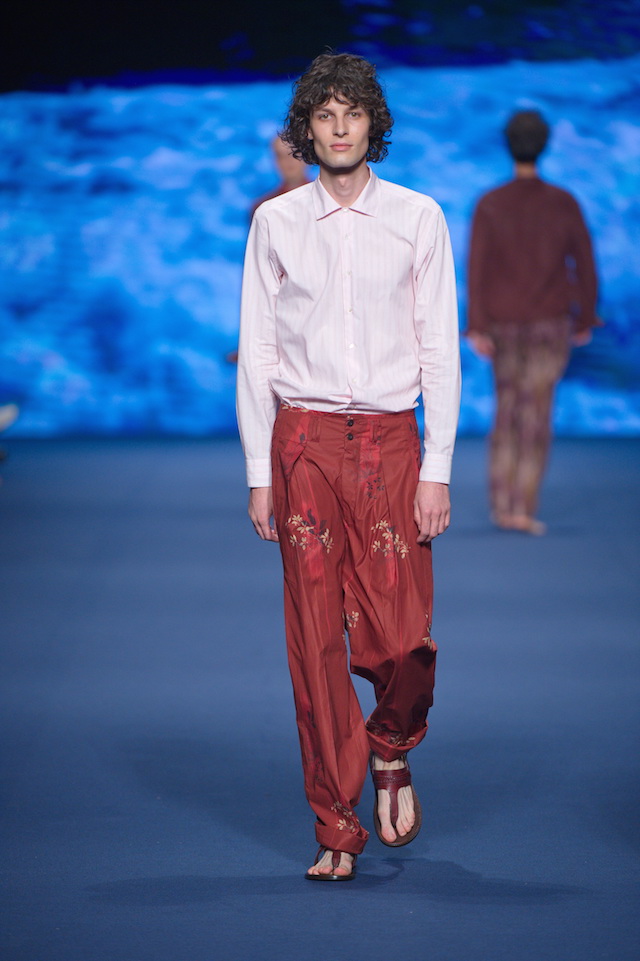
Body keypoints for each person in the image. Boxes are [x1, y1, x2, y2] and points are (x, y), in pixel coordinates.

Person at [236, 52, 460, 881]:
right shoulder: (277, 223)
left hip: (392, 444)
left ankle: (390, 743)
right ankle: (336, 818)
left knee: (403, 640)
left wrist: (438, 465)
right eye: (324, 116)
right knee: (315, 640)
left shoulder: (418, 217)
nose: (339, 129)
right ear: (307, 129)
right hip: (303, 443)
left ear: (373, 123)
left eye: (352, 113)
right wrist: (260, 468)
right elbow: (258, 350)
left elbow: (440, 348)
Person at [466, 109, 598, 535]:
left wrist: (477, 324)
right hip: (549, 324)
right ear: (545, 145)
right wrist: (586, 316)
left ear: (507, 145)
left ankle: (502, 505)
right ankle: (522, 506)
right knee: (536, 414)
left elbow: (477, 268)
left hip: (503, 323)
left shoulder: (490, 203)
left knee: (506, 410)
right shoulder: (563, 202)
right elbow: (584, 263)